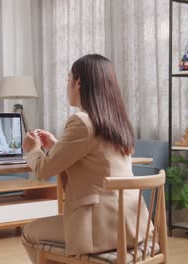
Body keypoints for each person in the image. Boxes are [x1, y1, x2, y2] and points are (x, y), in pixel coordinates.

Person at [21, 54, 151, 262]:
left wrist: (33, 149)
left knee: (29, 233)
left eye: (68, 79)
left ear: (78, 82)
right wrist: (57, 146)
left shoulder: (81, 121)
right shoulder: (116, 120)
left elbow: (44, 170)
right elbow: (96, 157)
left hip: (100, 228)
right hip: (133, 225)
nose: (67, 85)